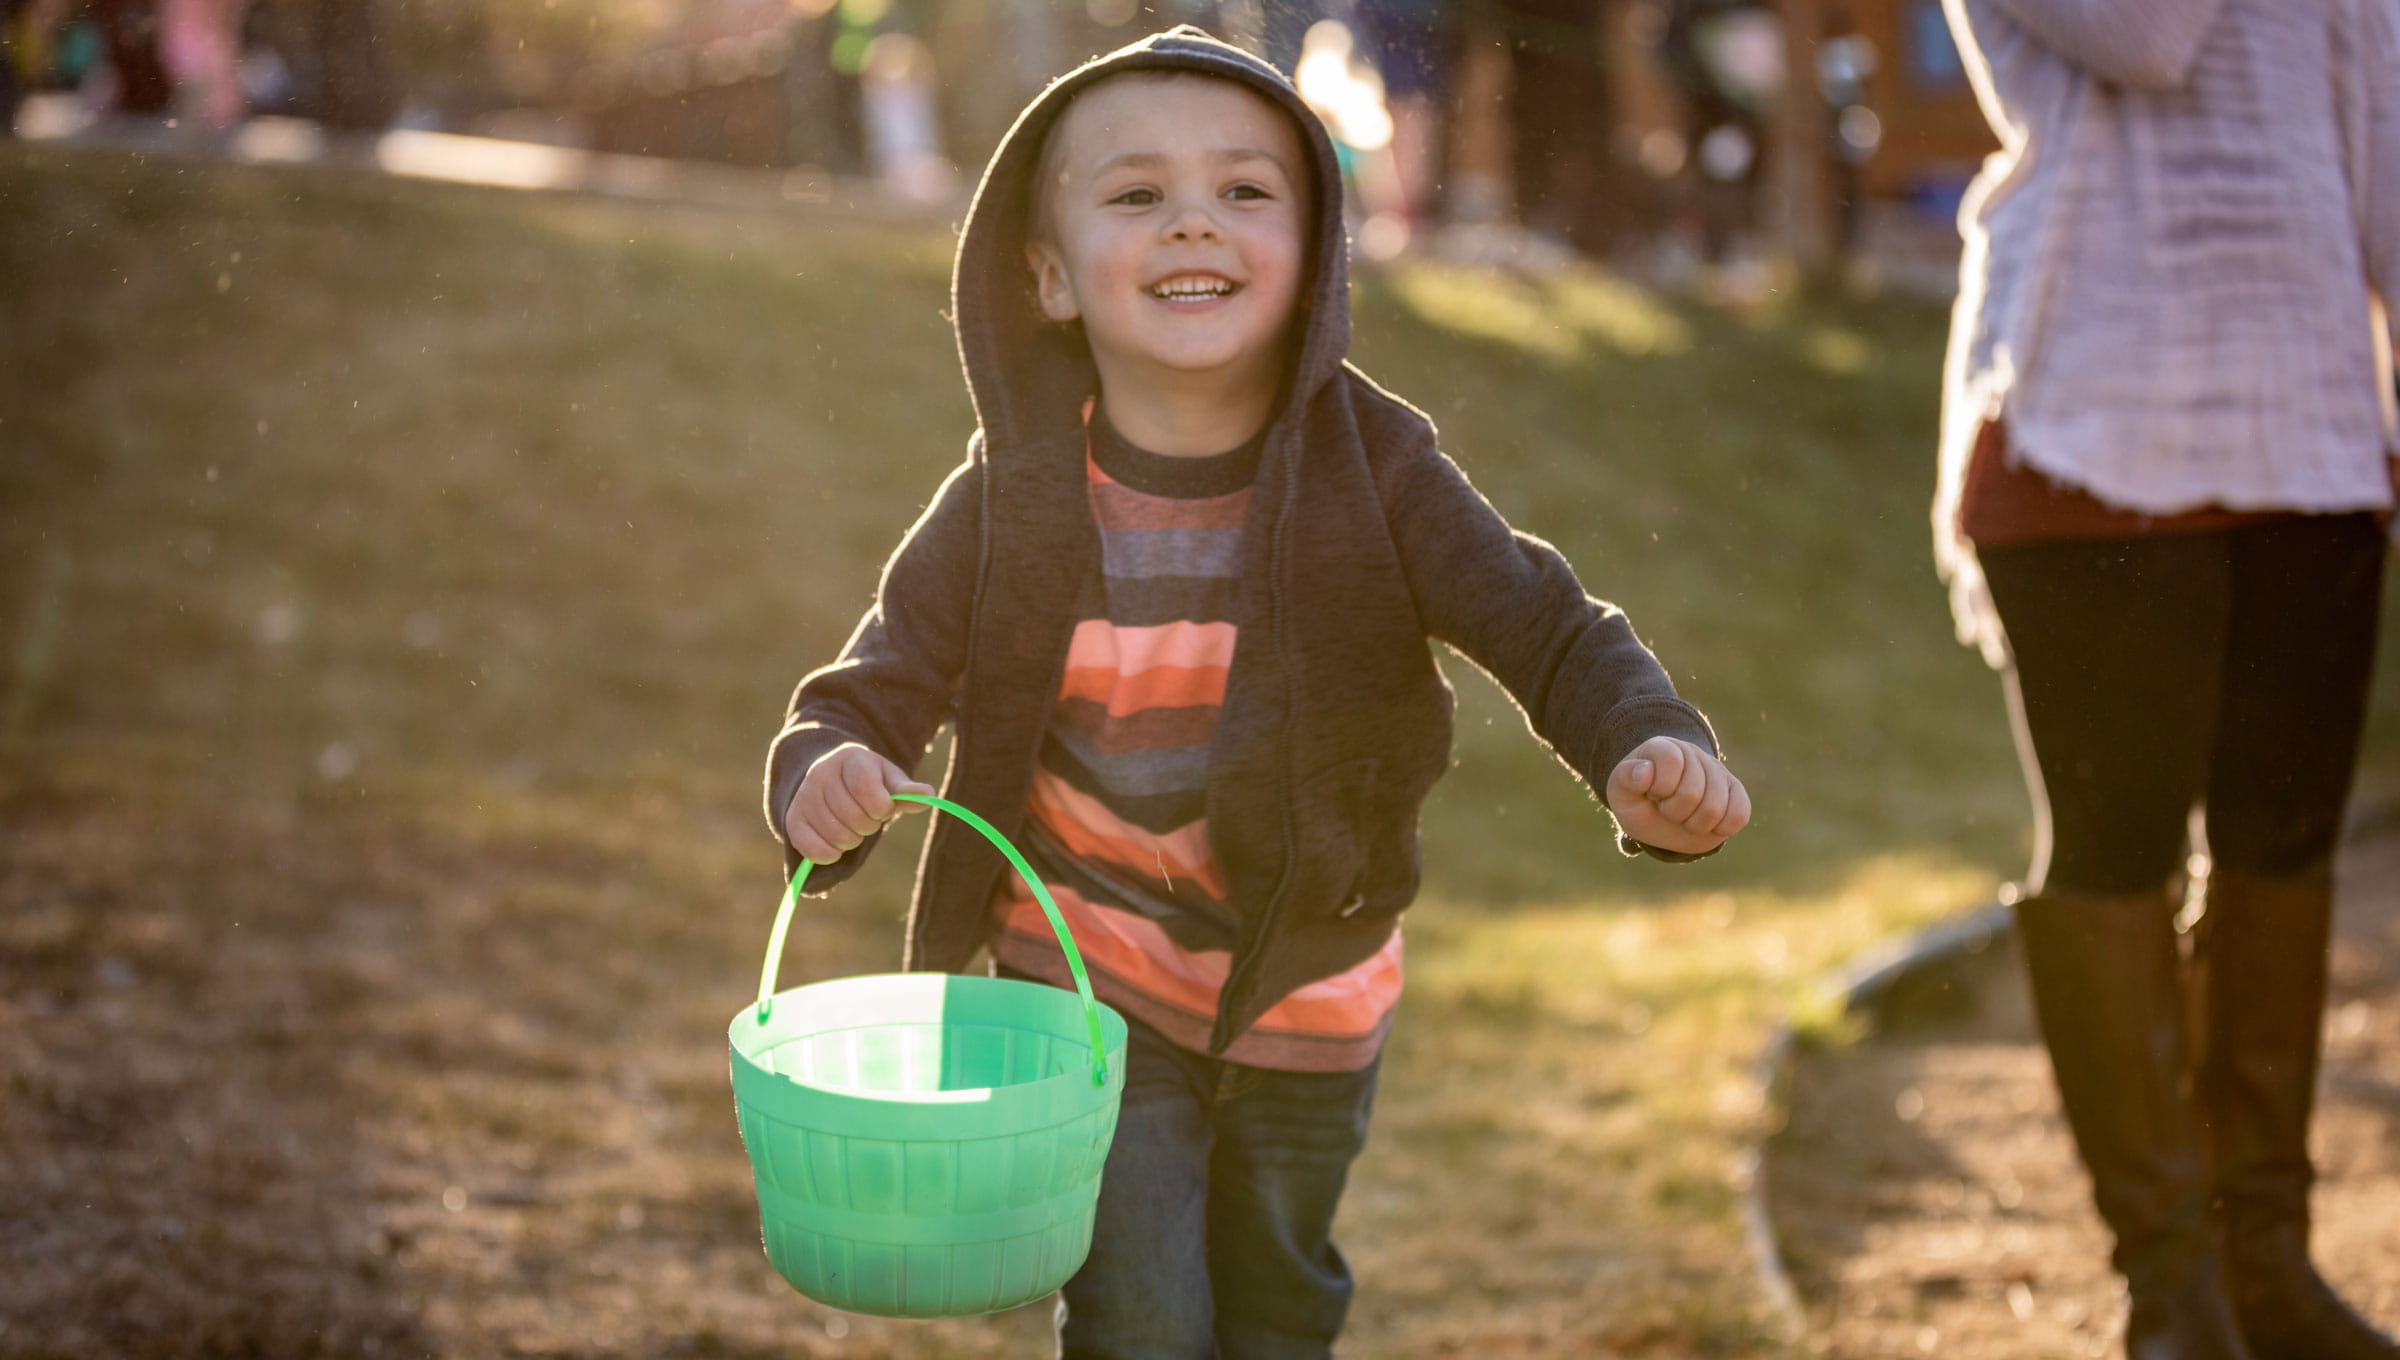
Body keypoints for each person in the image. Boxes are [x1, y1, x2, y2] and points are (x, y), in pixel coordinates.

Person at [764, 26, 1749, 1358]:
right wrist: (825, 770)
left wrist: (1646, 741)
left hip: (1311, 982)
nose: (1192, 226)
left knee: (1279, 1299)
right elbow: (867, 695)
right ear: (1048, 274)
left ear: (1317, 255)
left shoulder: (1381, 473)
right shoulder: (1009, 502)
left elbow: (1546, 625)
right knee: (1141, 1311)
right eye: (1135, 196)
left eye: (1244, 192)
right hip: (1084, 987)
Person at [1932, 2, 2400, 1358]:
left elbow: (2381, 116)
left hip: (2311, 421)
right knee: (2115, 850)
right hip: (2091, 416)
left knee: (2286, 844)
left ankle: (2265, 1266)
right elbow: (2144, 32)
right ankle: (2172, 1288)